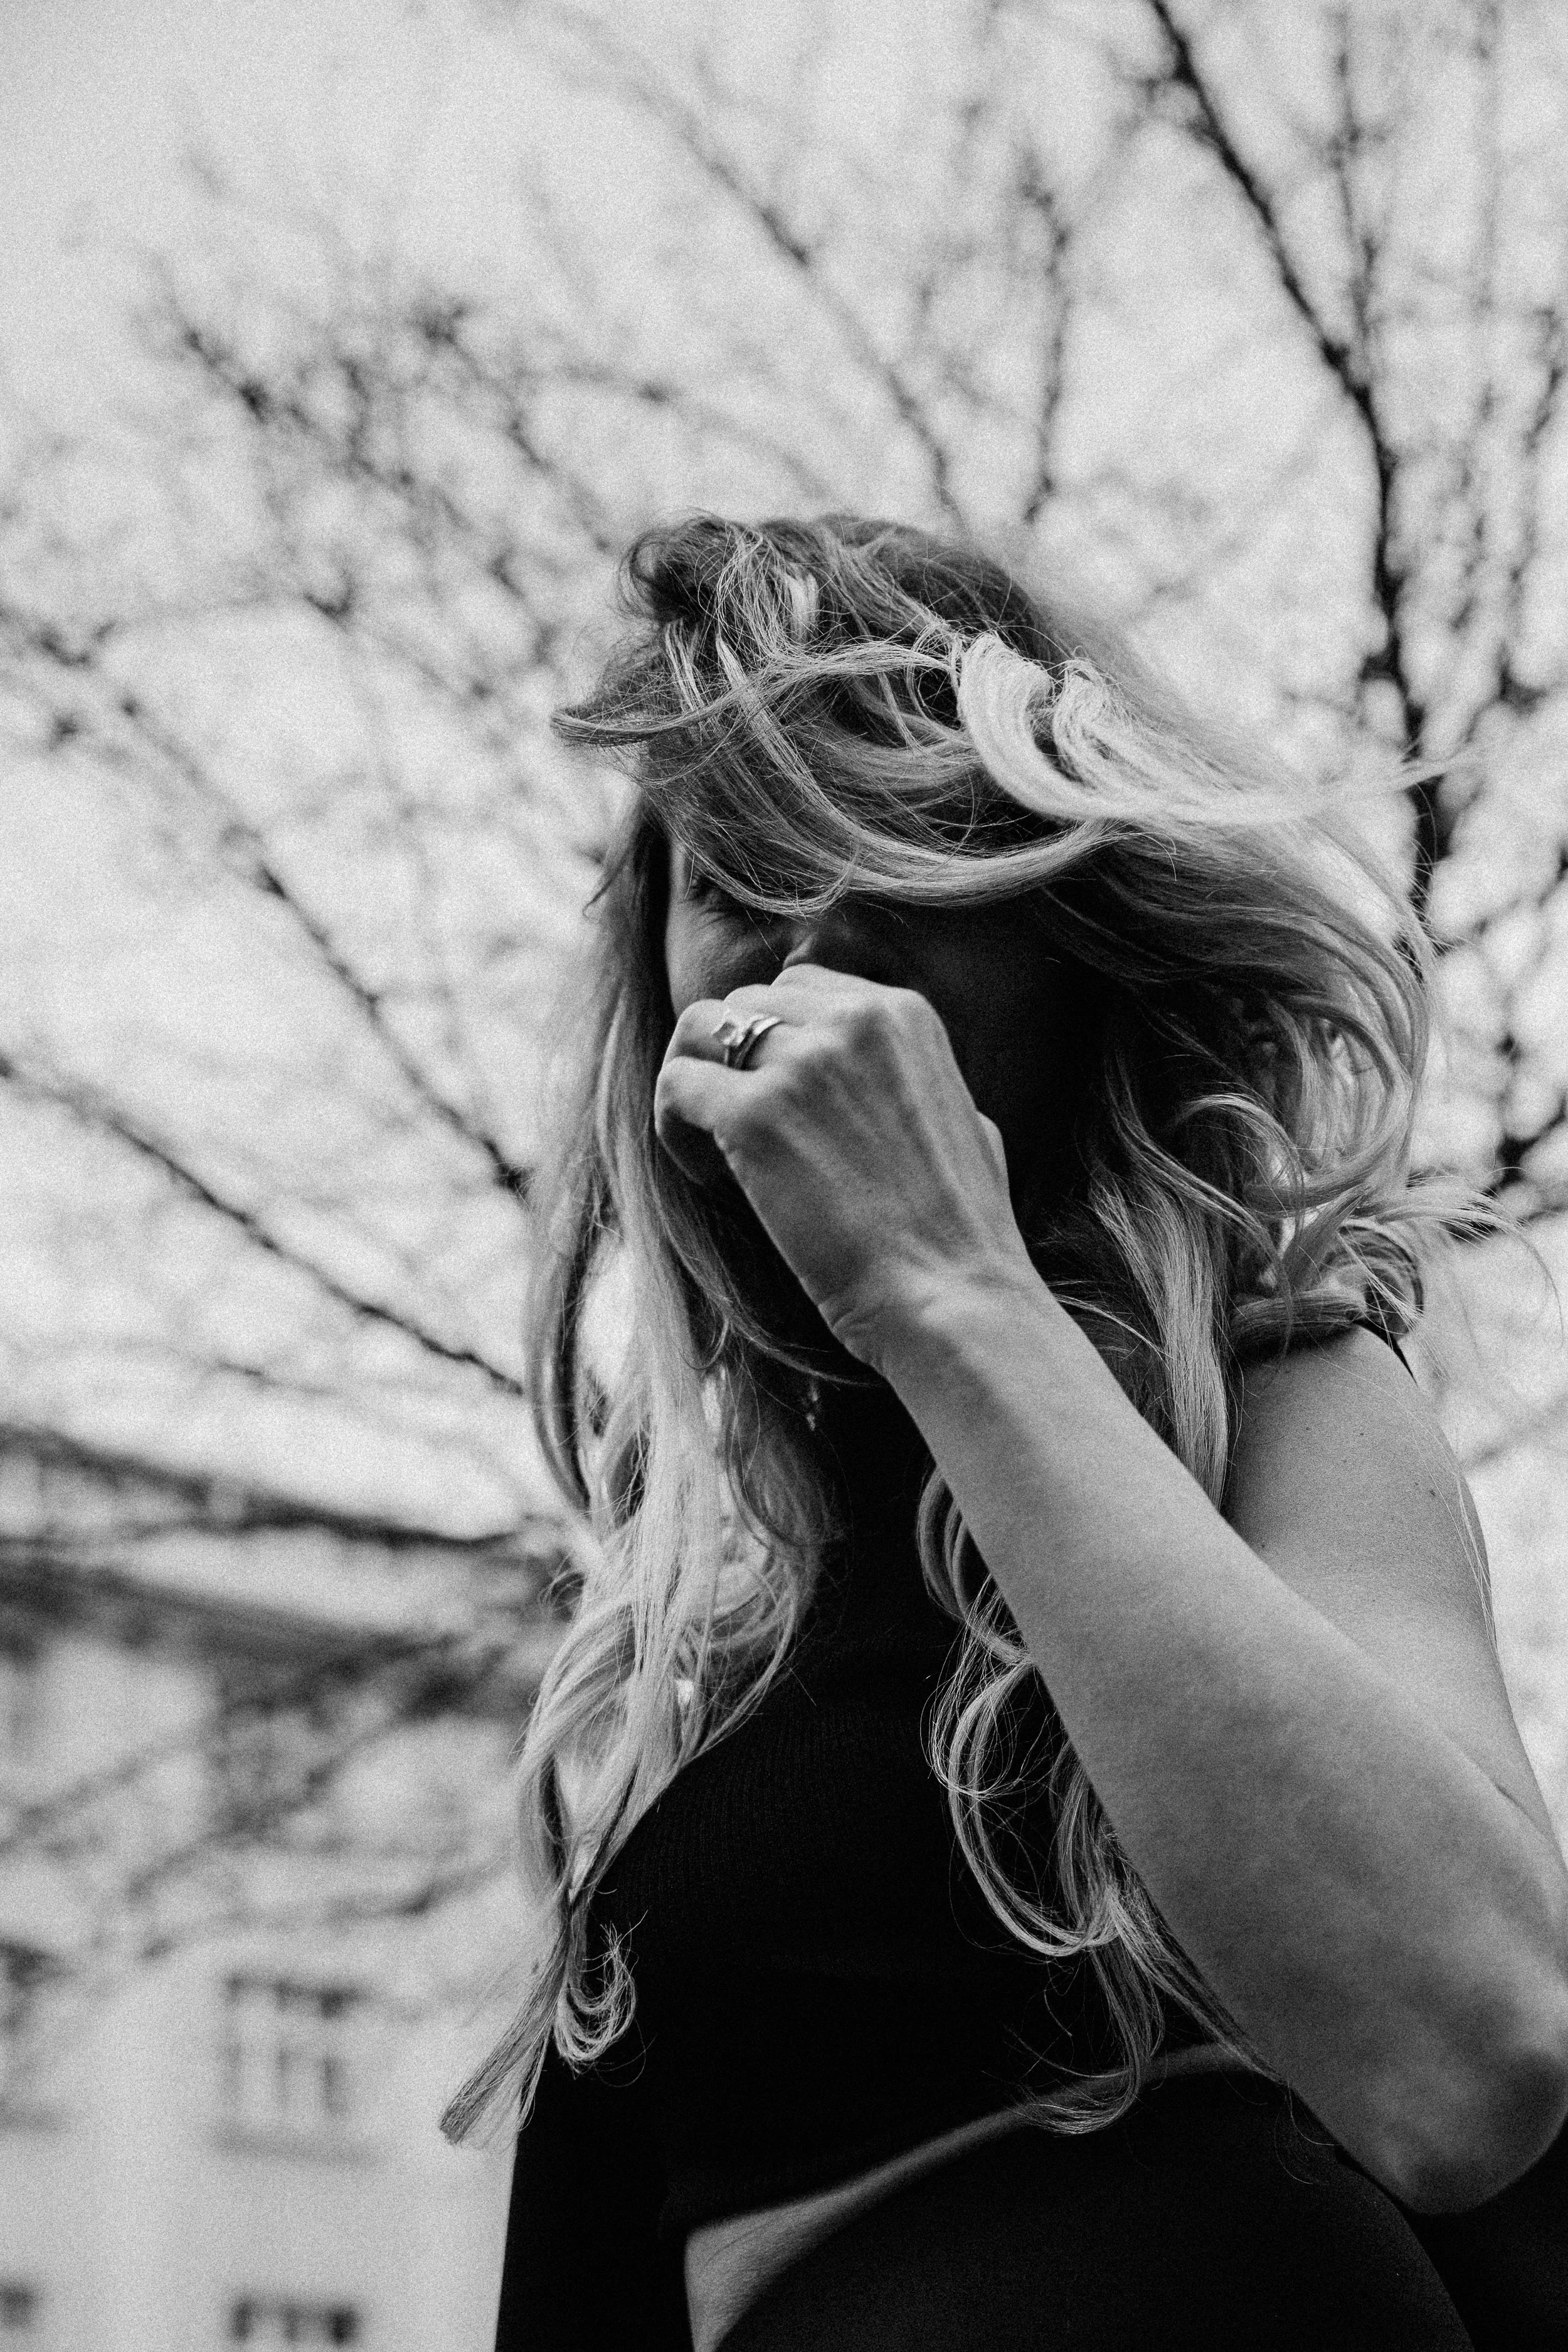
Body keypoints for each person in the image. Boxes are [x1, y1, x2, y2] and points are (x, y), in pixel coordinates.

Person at [447, 514, 1568, 2349]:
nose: (810, 961)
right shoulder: (706, 1649)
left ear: (1078, 944)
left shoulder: (1273, 1400)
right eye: (734, 876)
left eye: (902, 880)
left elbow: (1462, 2056)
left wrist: (950, 1294)